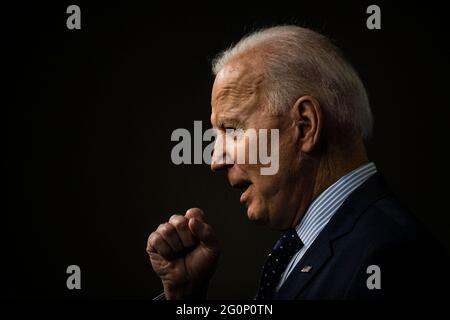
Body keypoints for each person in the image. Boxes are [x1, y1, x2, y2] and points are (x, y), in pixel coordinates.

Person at [146, 25, 449, 300]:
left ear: (304, 126)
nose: (215, 160)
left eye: (233, 130)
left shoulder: (391, 258)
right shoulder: (311, 247)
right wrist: (185, 298)